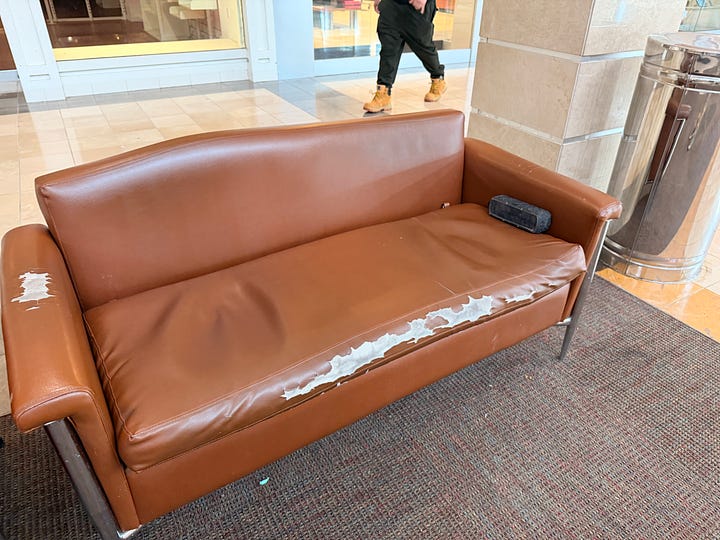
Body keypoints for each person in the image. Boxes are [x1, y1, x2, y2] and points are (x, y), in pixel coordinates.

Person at [363, 0, 446, 113]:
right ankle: (383, 93)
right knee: (388, 50)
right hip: (390, 4)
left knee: (422, 46)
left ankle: (438, 78)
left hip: (415, 6)